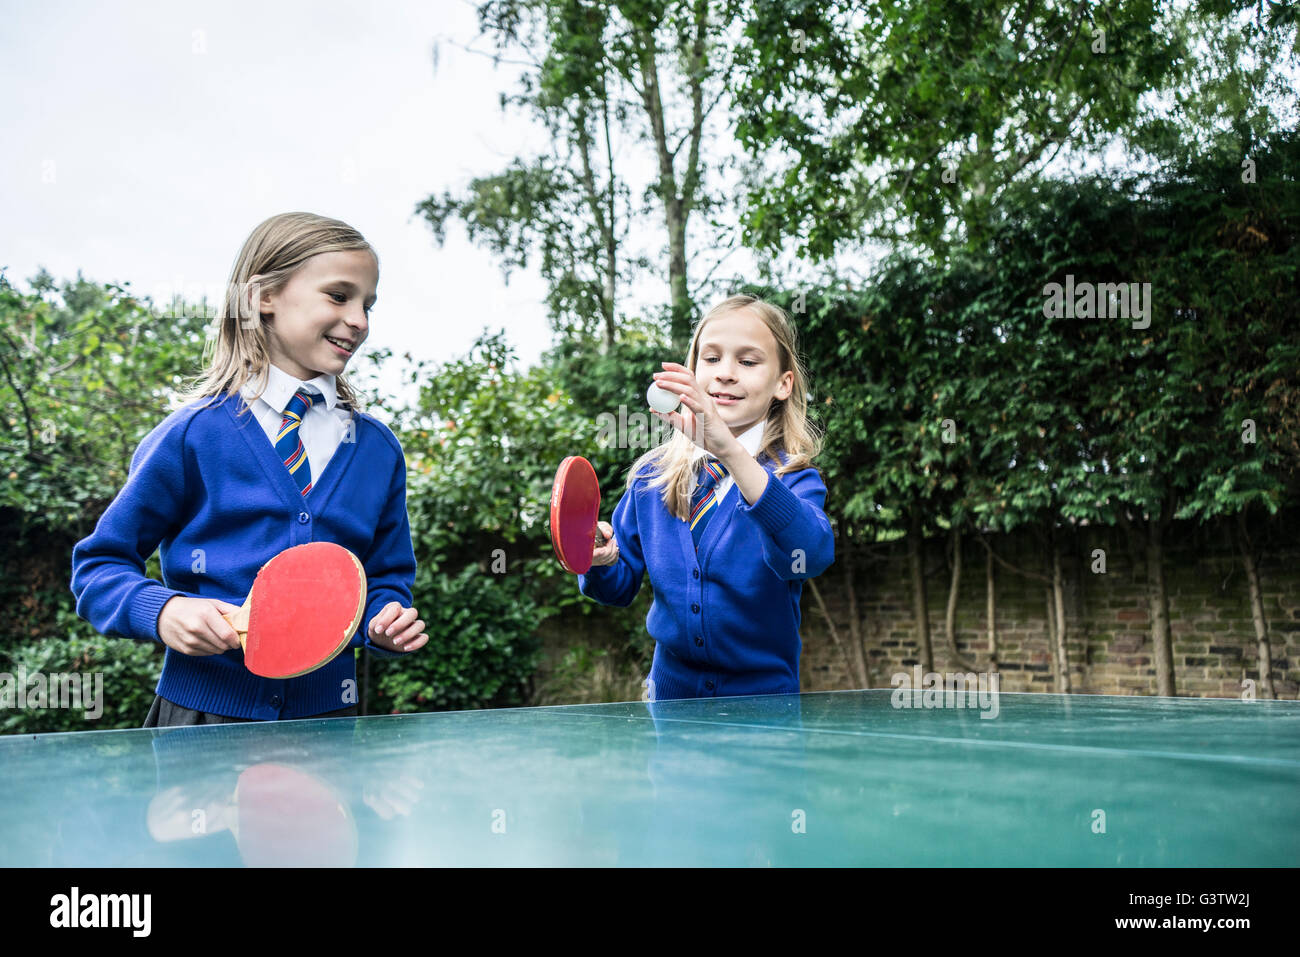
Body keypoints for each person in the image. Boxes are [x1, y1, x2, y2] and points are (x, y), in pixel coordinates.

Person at [70, 211, 428, 727]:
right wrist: (164, 612)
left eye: (368, 305)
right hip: (200, 721)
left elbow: (386, 580)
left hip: (328, 724)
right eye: (338, 295)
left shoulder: (377, 450)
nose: (360, 321)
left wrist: (383, 623)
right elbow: (98, 568)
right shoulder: (193, 434)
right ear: (263, 297)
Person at [578, 294, 833, 700]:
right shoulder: (651, 477)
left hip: (764, 712)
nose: (725, 374)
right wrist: (601, 561)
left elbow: (810, 555)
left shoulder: (795, 478)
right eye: (711, 359)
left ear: (783, 384)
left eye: (748, 362)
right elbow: (616, 588)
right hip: (671, 710)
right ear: (692, 372)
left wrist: (730, 452)